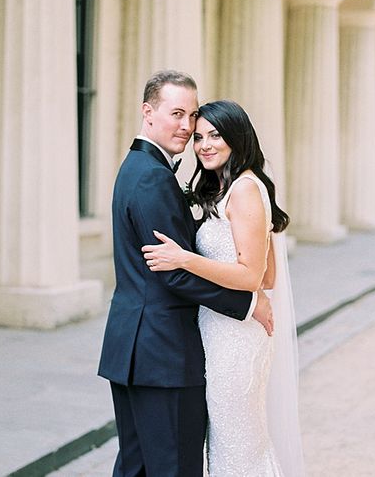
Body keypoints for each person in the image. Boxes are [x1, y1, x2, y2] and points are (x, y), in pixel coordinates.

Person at [98, 71, 274, 477]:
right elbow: (171, 272)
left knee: (138, 467)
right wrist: (247, 304)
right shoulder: (152, 177)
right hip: (163, 353)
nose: (186, 126)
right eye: (176, 113)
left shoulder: (139, 168)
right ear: (148, 113)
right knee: (174, 468)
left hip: (135, 347)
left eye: (191, 115)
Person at [142, 99, 305, 476]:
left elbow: (251, 275)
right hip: (218, 333)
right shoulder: (226, 188)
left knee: (238, 445)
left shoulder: (246, 188)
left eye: (215, 136)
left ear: (237, 138)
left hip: (237, 339)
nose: (204, 145)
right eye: (198, 138)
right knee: (228, 443)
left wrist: (185, 258)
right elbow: (267, 278)